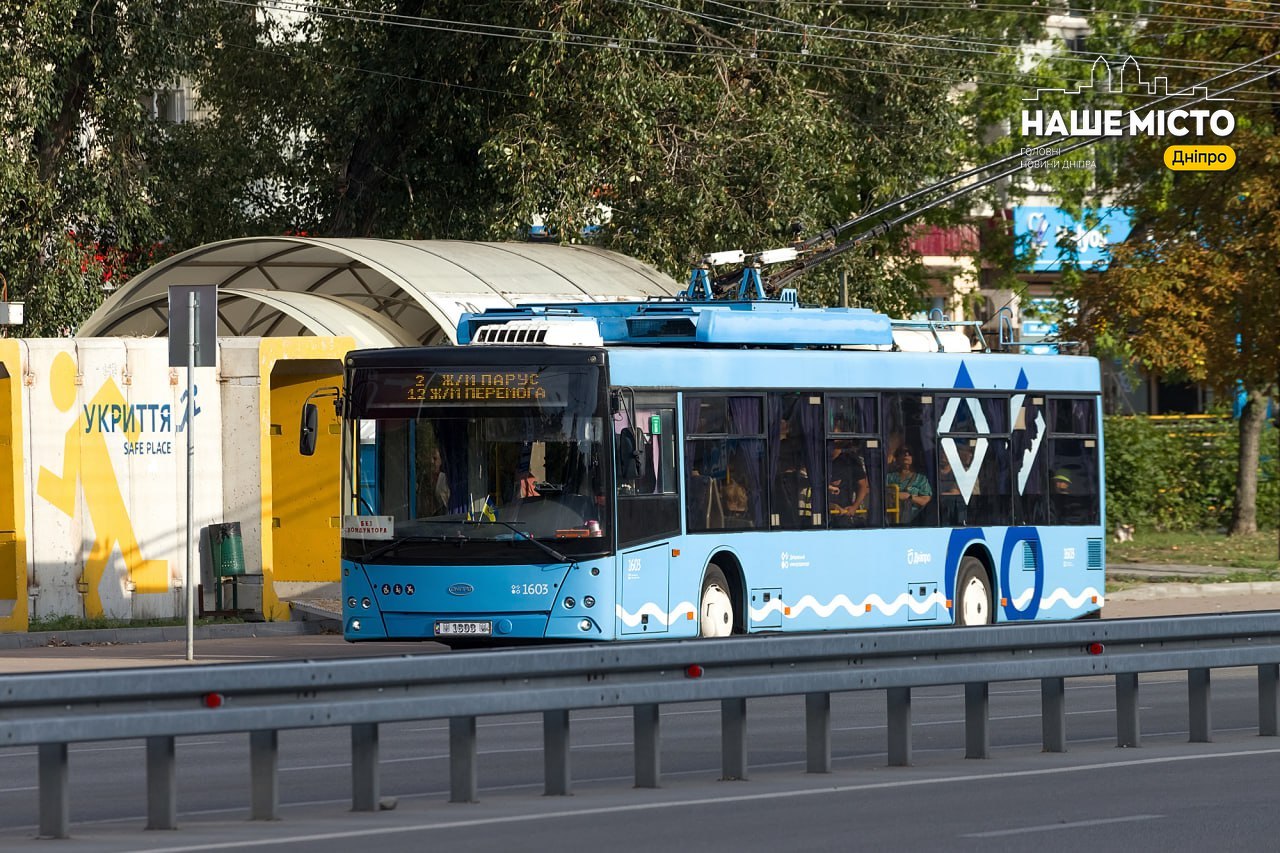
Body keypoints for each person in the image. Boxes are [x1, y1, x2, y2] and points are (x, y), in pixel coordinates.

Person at [828, 441, 869, 527]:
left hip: (843, 515)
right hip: (822, 514)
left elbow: (862, 485)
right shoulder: (817, 459)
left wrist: (854, 507)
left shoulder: (850, 459)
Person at [887, 446, 932, 524]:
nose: (906, 454)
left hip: (913, 521)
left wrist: (909, 497)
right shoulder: (890, 476)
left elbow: (926, 500)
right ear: (897, 457)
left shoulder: (921, 478)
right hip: (891, 520)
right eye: (903, 453)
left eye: (909, 453)